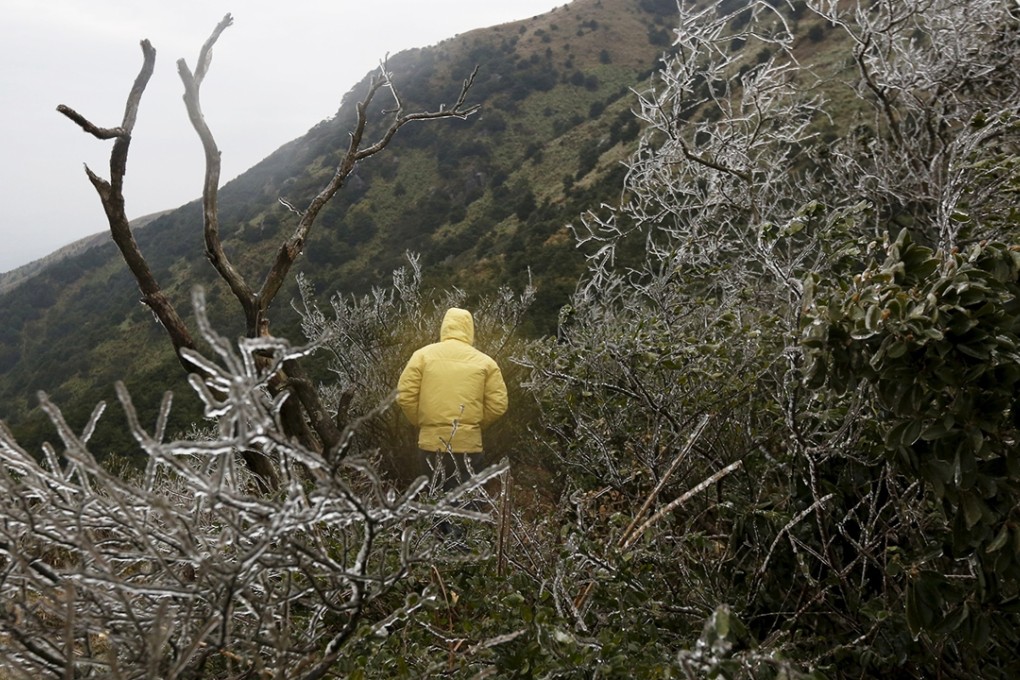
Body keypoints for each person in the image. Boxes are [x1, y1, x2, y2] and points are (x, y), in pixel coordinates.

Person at [396, 307, 508, 490]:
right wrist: (473, 426)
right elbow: (498, 405)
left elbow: (404, 395)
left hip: (431, 444)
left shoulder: (422, 356)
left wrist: (422, 422)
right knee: (466, 507)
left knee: (434, 503)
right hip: (469, 445)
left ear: (444, 327)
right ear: (470, 329)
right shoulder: (486, 362)